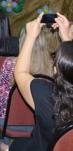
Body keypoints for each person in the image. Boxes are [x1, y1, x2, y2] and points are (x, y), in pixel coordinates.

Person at [10, 12, 73, 151]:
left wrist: (30, 36)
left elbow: (20, 73)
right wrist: (67, 40)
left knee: (14, 146)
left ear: (55, 70)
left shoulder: (45, 94)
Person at [0, 25, 60, 151]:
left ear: (22, 41)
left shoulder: (9, 63)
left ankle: (4, 143)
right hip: (39, 125)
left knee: (0, 101)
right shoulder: (55, 68)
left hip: (8, 123)